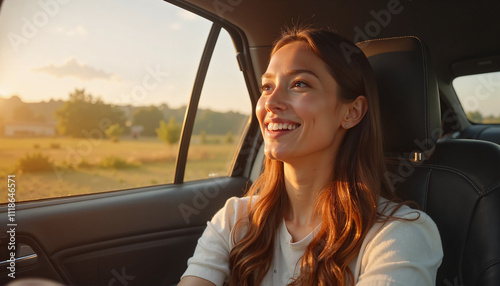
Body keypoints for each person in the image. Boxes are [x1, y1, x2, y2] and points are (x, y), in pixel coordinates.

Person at [178, 27, 443, 286]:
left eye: (299, 84)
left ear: (351, 112)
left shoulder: (398, 236)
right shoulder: (235, 218)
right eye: (267, 87)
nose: (270, 103)